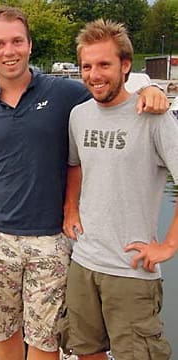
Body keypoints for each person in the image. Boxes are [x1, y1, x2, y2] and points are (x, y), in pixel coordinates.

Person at [0, 5, 169, 360]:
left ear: (30, 45)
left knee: (46, 339)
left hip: (51, 240)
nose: (9, 51)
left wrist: (150, 88)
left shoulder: (66, 95)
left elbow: (110, 91)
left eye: (17, 41)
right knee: (2, 330)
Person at [61, 18, 178, 360]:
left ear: (125, 66)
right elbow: (75, 163)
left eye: (104, 64)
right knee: (86, 351)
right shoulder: (78, 115)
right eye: (87, 66)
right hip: (83, 263)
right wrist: (71, 208)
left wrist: (169, 244)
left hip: (131, 271)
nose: (94, 74)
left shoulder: (153, 116)